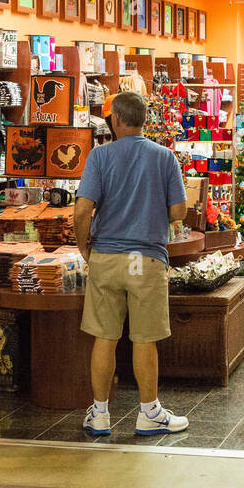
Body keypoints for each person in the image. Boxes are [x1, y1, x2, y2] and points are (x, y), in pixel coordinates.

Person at [73, 90, 191, 436]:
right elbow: (179, 211)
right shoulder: (165, 157)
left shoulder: (99, 156)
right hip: (147, 258)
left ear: (116, 120)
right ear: (142, 121)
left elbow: (82, 211)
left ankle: (99, 413)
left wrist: (85, 249)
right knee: (145, 338)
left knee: (104, 336)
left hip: (106, 256)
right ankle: (149, 412)